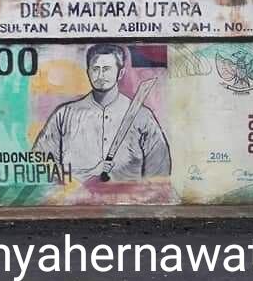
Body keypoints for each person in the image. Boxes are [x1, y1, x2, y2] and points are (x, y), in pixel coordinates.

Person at [32, 44, 172, 182]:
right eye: (95, 69)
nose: (100, 75)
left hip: (129, 202)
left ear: (120, 73)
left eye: (106, 69)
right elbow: (41, 164)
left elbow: (160, 172)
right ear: (88, 72)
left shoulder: (142, 115)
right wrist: (89, 174)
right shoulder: (64, 115)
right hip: (74, 201)